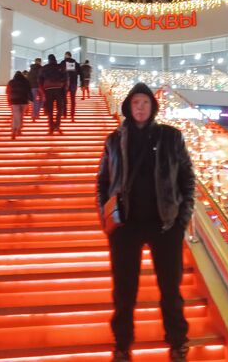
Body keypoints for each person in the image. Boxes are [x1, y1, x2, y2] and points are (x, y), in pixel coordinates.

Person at [97, 83, 195, 362]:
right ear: (128, 106)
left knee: (170, 289)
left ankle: (177, 343)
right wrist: (106, 217)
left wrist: (182, 218)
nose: (140, 107)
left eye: (145, 102)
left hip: (165, 225)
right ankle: (122, 345)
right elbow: (103, 182)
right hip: (126, 227)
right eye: (135, 102)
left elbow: (187, 178)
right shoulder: (114, 140)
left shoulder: (171, 136)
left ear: (153, 107)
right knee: (124, 291)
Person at [38, 54, 65, 134]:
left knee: (50, 109)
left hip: (48, 89)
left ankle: (51, 127)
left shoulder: (44, 68)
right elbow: (65, 77)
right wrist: (62, 85)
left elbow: (40, 79)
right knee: (60, 108)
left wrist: (42, 90)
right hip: (58, 88)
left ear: (48, 60)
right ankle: (57, 125)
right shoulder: (60, 67)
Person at [6, 71, 33, 139]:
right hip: (23, 101)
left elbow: (8, 91)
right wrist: (31, 100)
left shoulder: (11, 82)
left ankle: (14, 130)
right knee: (21, 116)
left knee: (16, 116)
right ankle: (19, 129)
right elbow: (29, 91)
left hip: (14, 101)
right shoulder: (26, 81)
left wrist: (9, 100)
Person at [60, 51, 81, 122]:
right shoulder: (75, 63)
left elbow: (59, 72)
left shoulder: (63, 62)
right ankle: (72, 115)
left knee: (63, 98)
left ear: (66, 55)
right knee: (72, 100)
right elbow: (80, 72)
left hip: (64, 83)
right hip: (73, 83)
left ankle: (64, 114)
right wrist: (82, 82)